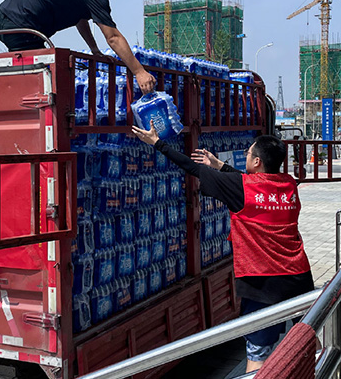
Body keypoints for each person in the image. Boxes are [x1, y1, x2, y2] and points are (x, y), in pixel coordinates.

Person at [131, 123, 314, 373]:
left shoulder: (243, 189)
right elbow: (246, 182)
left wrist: (157, 143)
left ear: (258, 161)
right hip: (298, 276)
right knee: (307, 337)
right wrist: (218, 166)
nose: (246, 157)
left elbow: (193, 168)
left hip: (261, 282)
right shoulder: (288, 185)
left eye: (249, 154)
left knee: (258, 352)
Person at [0, 0, 156, 94]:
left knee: (40, 74)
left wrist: (94, 50)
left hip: (3, 17)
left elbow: (81, 19)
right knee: (45, 83)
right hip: (21, 26)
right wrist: (139, 72)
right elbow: (113, 37)